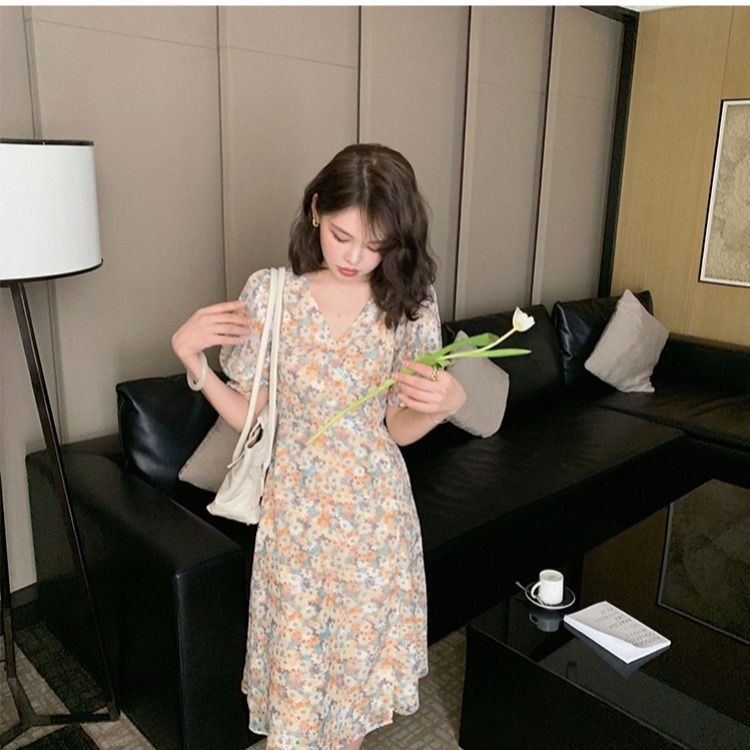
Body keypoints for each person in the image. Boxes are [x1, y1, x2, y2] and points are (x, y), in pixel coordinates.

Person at [171, 143, 466, 750]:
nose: (356, 257)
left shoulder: (409, 304)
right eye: (341, 236)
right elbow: (253, 418)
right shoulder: (272, 294)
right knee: (298, 696)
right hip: (296, 523)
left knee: (348, 707)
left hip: (375, 523)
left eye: (376, 244)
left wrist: (445, 406)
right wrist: (192, 361)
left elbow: (396, 427)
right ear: (315, 212)